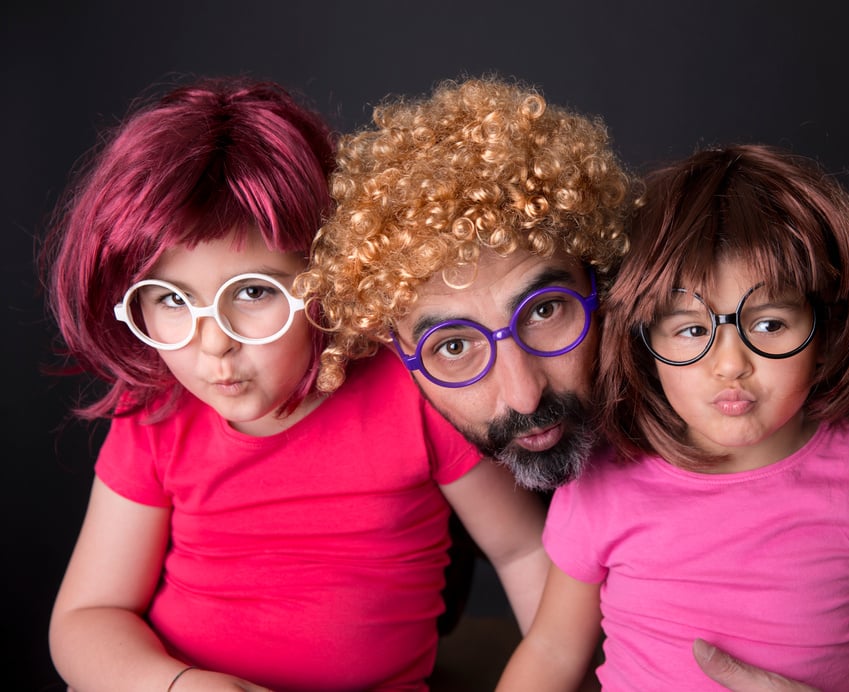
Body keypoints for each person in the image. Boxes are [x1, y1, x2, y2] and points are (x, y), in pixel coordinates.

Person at [300, 76, 846, 691]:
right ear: (394, 354)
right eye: (453, 346)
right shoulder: (385, 441)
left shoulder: (724, 384)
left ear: (604, 278)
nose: (523, 393)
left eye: (544, 311)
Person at [42, 76, 548, 692]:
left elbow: (526, 552)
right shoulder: (155, 414)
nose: (213, 342)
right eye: (171, 300)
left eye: (253, 292)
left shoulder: (411, 390)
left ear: (329, 275)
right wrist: (176, 685)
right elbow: (87, 615)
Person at [496, 143, 849, 691]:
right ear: (646, 345)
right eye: (690, 330)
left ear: (825, 335)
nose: (730, 364)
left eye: (770, 325)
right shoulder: (603, 483)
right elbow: (552, 648)